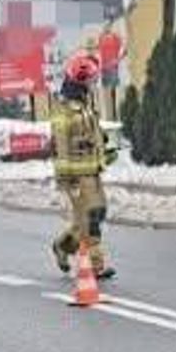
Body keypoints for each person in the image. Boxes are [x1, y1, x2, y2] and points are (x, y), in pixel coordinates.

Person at [49, 52, 117, 279]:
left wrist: (104, 149)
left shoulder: (84, 104)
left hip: (92, 170)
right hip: (77, 176)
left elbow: (91, 134)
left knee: (93, 216)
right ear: (79, 80)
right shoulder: (64, 109)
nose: (93, 83)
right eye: (90, 80)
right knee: (91, 217)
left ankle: (62, 246)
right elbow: (60, 147)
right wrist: (67, 179)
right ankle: (96, 266)